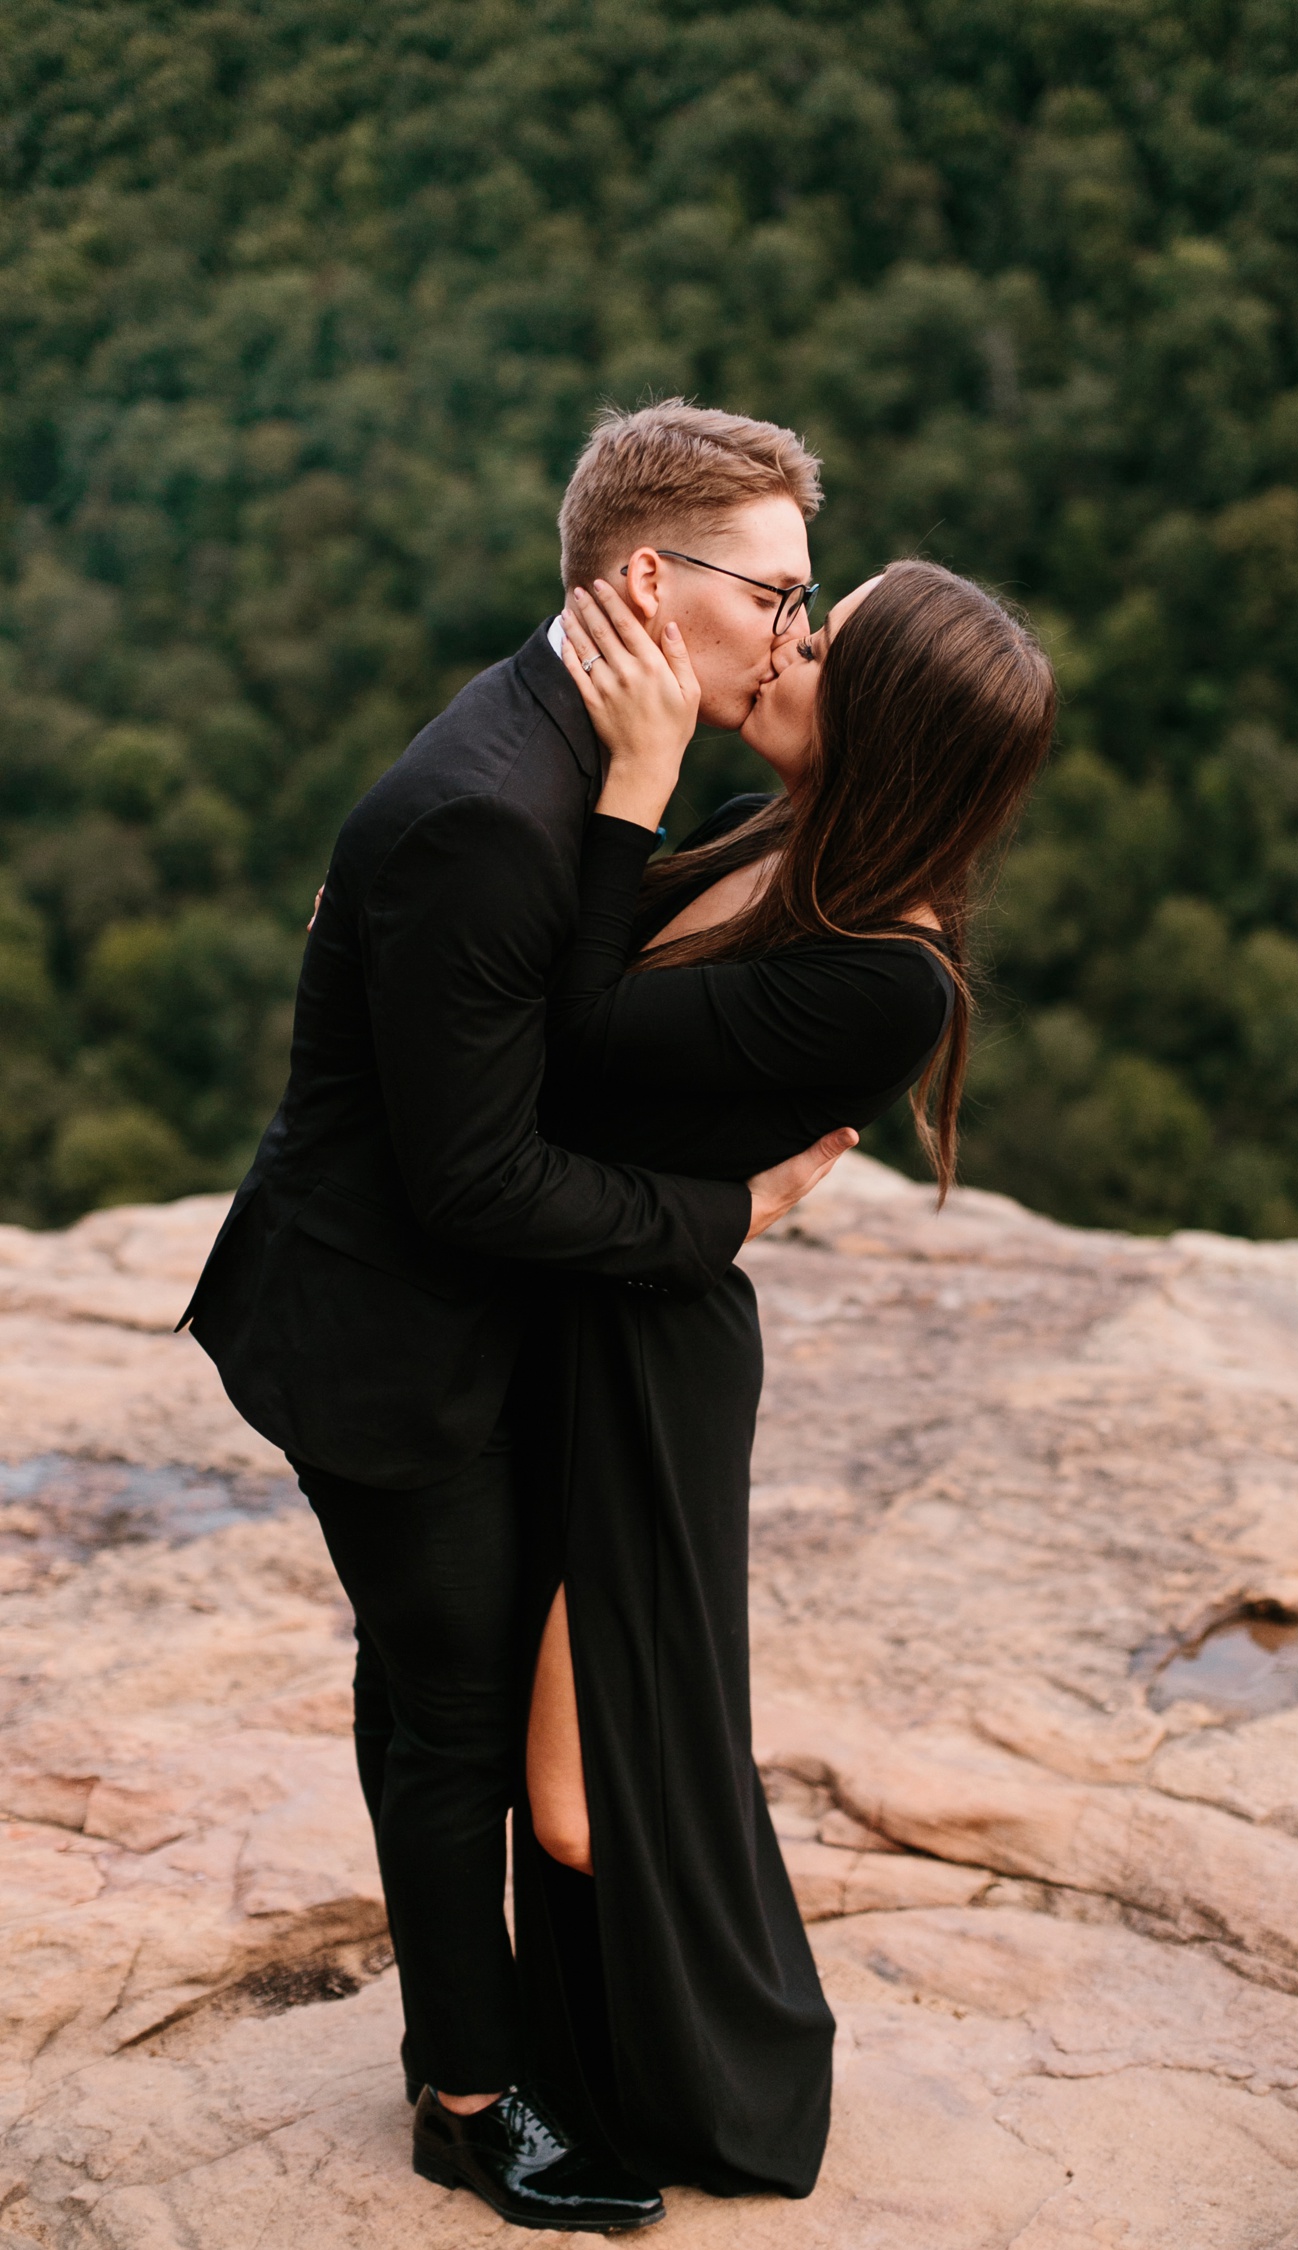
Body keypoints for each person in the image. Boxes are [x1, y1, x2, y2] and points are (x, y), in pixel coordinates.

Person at [178, 402, 858, 2236]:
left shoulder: (580, 740)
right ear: (653, 578)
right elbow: (486, 1178)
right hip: (386, 1338)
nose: (797, 633)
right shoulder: (495, 799)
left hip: (452, 1317)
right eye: (779, 594)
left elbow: (569, 1010)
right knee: (461, 1714)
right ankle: (473, 2099)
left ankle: (470, 2036)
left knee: (428, 1685)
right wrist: (728, 1212)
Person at [496, 557, 1056, 2207]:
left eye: (830, 635)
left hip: (641, 1371)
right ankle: (562, 2058)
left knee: (581, 1787)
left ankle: (685, 2087)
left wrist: (635, 775)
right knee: (565, 1753)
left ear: (882, 724)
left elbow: (577, 1041)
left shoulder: (889, 971)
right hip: (580, 1313)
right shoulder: (786, 842)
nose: (789, 641)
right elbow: (555, 975)